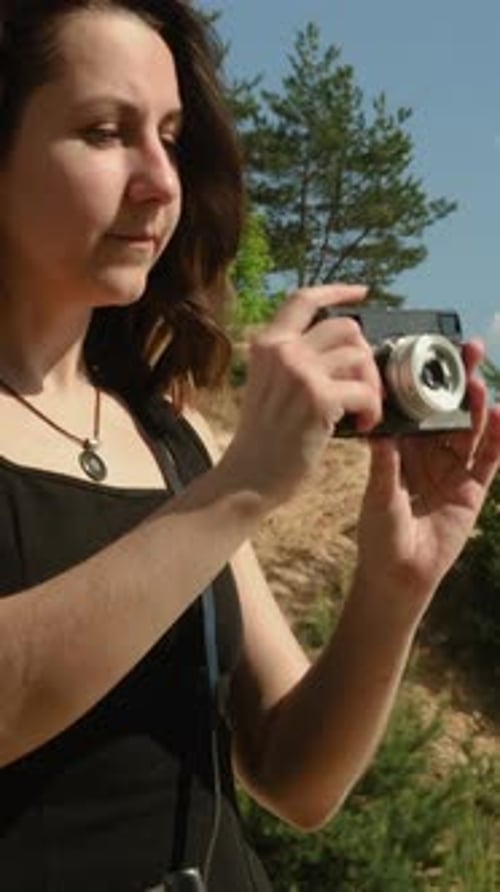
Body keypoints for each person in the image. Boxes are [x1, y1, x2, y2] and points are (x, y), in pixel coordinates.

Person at [0, 1, 498, 890]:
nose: (160, 180)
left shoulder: (173, 438)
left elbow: (296, 780)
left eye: (171, 136)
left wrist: (395, 586)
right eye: (106, 133)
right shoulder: (218, 482)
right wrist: (239, 493)